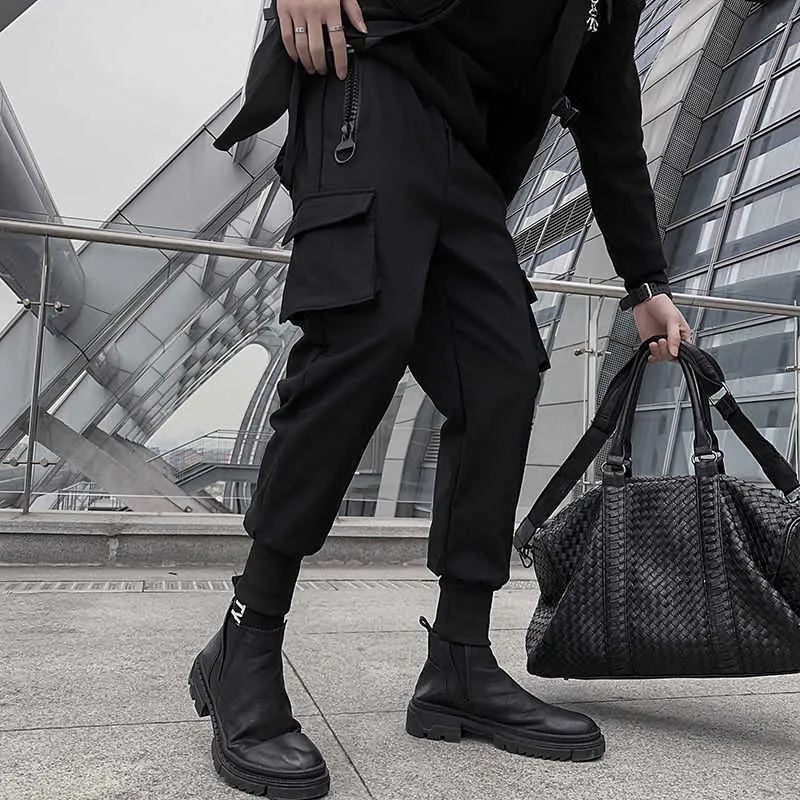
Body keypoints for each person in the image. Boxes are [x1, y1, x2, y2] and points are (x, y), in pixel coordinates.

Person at [188, 0, 693, 796]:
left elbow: (608, 105)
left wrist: (645, 279)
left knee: (501, 370)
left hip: (466, 150)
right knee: (364, 330)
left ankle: (459, 659)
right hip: (371, 63)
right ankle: (244, 642)